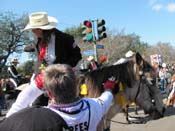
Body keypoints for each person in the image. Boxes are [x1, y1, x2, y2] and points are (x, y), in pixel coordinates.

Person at [6, 12, 82, 117]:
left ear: (41, 29)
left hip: (59, 79)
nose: (32, 31)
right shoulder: (37, 38)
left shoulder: (66, 39)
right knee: (31, 101)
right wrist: (26, 48)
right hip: (41, 76)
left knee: (63, 107)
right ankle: (9, 120)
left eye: (34, 29)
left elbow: (77, 55)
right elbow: (36, 47)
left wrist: (64, 70)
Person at [1, 64, 117, 130]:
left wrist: (35, 87)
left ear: (50, 94)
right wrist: (108, 88)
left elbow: (10, 119)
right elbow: (107, 97)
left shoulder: (38, 119)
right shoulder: (94, 106)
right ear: (77, 86)